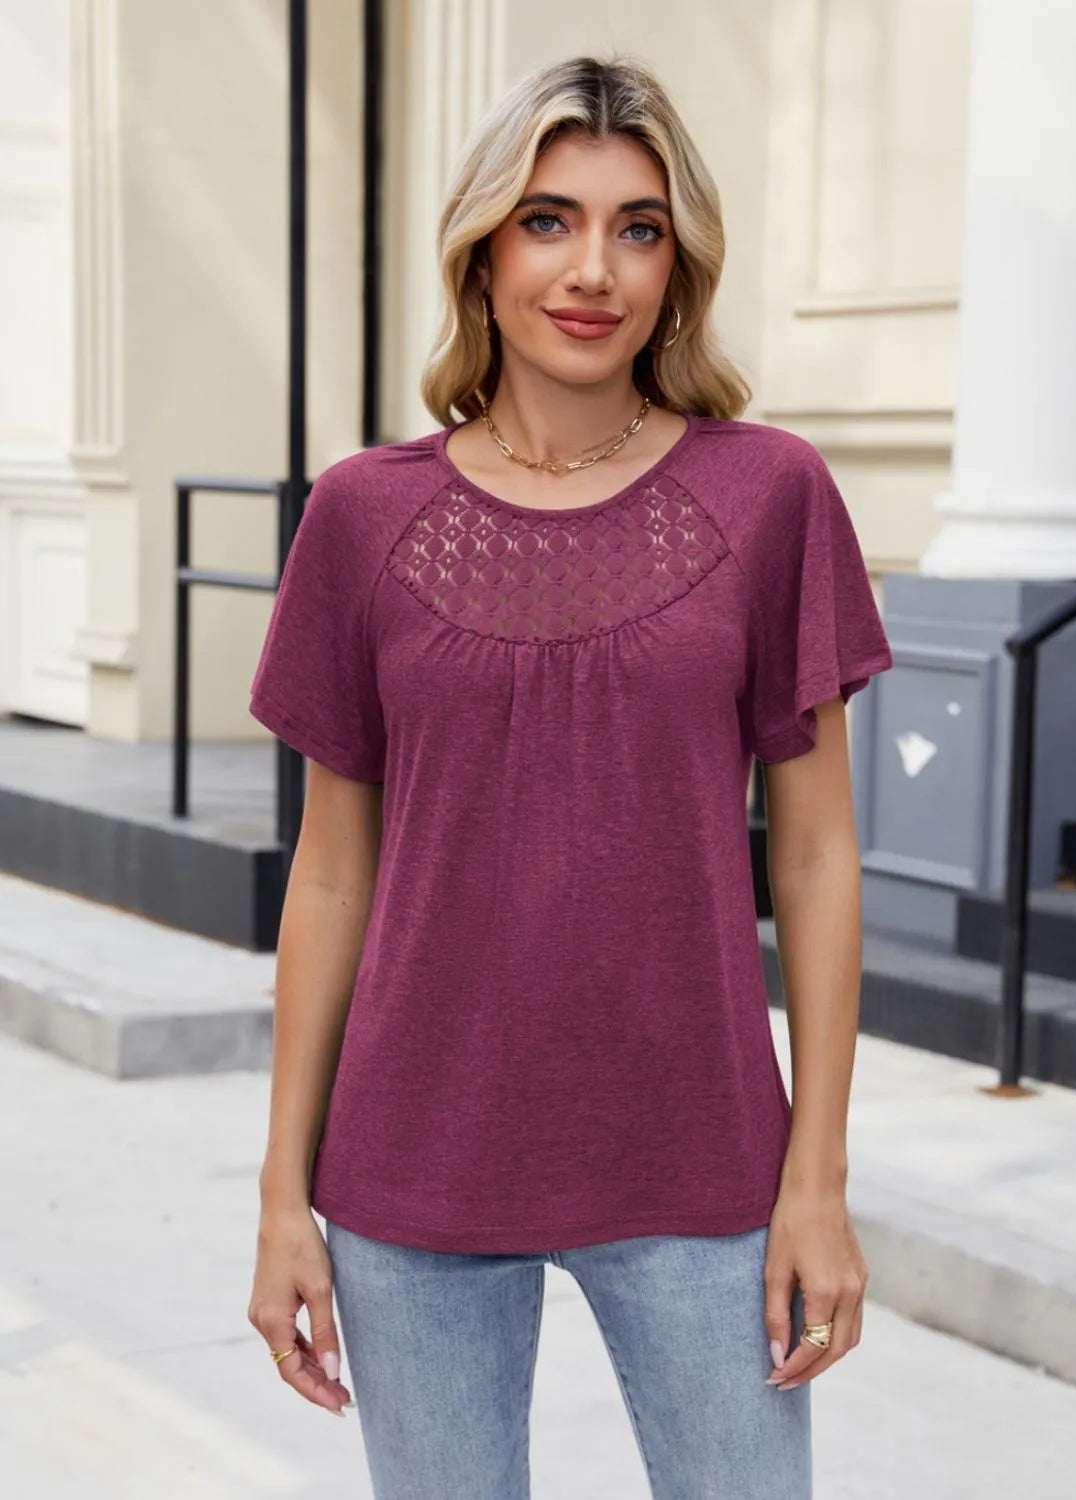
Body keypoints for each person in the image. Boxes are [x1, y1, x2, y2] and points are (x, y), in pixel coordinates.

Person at [246, 52, 894, 1500]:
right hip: (412, 1164)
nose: (592, 267)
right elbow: (333, 871)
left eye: (637, 228)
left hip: (699, 1155)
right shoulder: (362, 516)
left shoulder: (767, 496)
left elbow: (814, 856)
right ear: (482, 252)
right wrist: (283, 1191)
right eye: (548, 220)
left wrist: (817, 1178)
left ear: (678, 270)